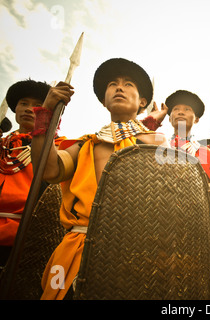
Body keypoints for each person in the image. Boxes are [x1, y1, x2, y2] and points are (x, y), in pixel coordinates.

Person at [31, 58, 168, 300]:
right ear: (104, 100)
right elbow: (49, 170)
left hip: (132, 251)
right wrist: (46, 114)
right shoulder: (85, 143)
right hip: (78, 244)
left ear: (142, 102)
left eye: (128, 85)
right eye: (113, 84)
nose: (119, 87)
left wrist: (147, 125)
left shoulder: (155, 143)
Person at [0, 79, 61, 298]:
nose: (28, 109)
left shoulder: (55, 146)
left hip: (21, 234)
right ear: (15, 109)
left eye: (37, 104)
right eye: (23, 103)